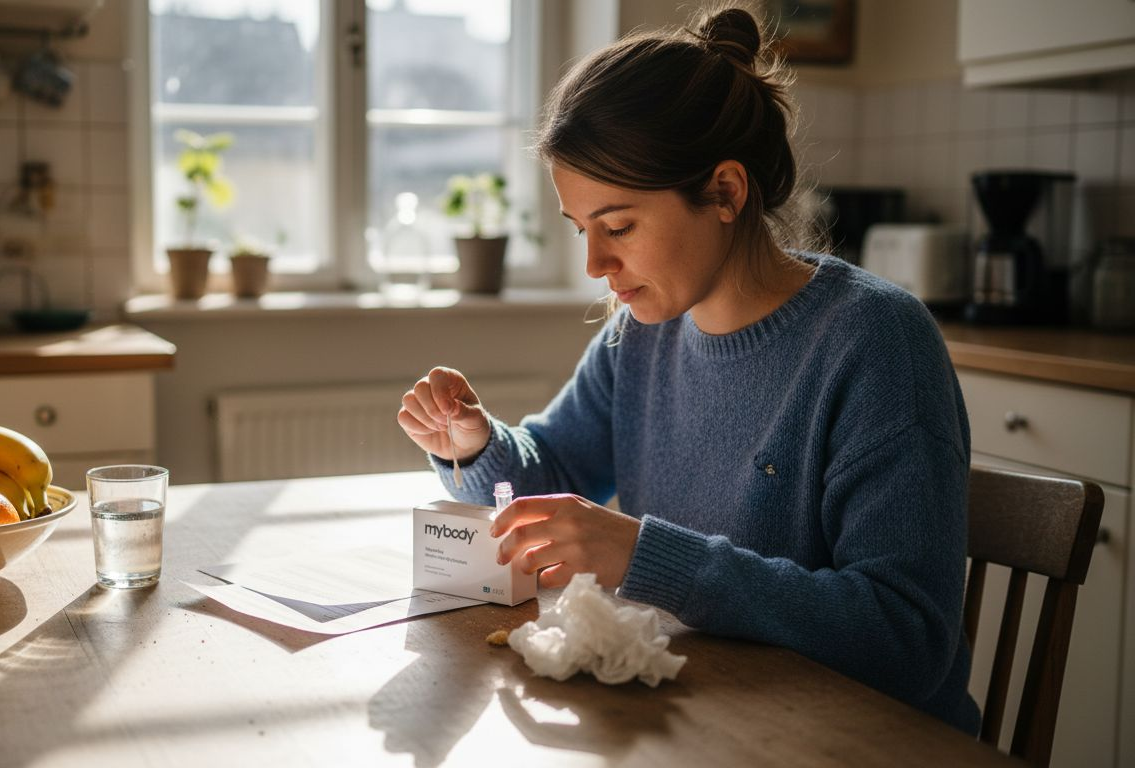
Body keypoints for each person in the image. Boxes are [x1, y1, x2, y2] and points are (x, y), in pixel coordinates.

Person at [396, 7, 980, 735]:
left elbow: (907, 640)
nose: (595, 264)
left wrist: (649, 557)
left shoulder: (876, 342)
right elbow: (553, 471)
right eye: (582, 231)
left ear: (726, 192)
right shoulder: (640, 335)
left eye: (619, 226)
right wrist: (477, 446)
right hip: (711, 719)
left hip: (864, 743)